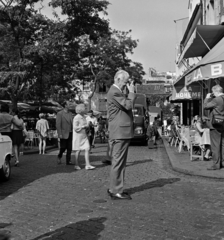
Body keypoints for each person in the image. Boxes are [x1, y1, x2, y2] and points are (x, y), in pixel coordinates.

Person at [107, 70, 136, 200]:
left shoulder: (116, 91)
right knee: (119, 162)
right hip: (120, 132)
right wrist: (132, 92)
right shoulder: (114, 91)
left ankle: (115, 187)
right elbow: (128, 105)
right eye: (125, 83)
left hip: (120, 131)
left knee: (119, 162)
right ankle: (116, 190)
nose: (126, 85)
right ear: (118, 80)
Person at [204, 84, 224, 170]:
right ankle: (222, 162)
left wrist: (207, 98)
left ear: (216, 91)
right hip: (223, 124)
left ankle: (216, 164)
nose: (213, 93)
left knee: (215, 145)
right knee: (222, 145)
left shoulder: (217, 99)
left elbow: (205, 106)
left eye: (213, 92)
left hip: (215, 124)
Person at [72, 104, 95, 170]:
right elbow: (75, 128)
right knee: (78, 150)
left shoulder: (84, 116)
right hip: (78, 136)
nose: (86, 109)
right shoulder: (77, 117)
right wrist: (83, 126)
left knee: (87, 148)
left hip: (84, 135)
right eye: (85, 108)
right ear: (81, 109)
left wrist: (87, 126)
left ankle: (87, 165)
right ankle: (76, 164)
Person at [56, 101, 73, 165]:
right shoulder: (60, 113)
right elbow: (58, 125)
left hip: (70, 133)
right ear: (65, 105)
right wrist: (59, 133)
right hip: (63, 133)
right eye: (69, 104)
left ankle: (68, 161)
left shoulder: (71, 113)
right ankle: (59, 156)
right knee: (63, 147)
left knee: (69, 148)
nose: (70, 105)